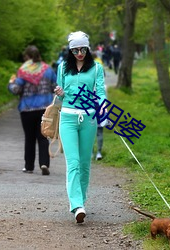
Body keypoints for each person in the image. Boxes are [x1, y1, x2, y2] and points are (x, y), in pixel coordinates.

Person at [54, 31, 106, 223]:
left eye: (83, 49)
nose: (79, 53)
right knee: (73, 163)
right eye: (75, 50)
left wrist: (102, 110)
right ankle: (76, 204)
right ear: (70, 50)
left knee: (85, 164)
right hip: (67, 118)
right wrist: (59, 92)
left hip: (89, 119)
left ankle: (81, 202)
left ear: (88, 48)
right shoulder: (62, 68)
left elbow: (100, 92)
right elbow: (60, 97)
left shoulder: (96, 68)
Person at [8, 45, 57, 175]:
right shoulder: (48, 70)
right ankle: (44, 163)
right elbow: (55, 87)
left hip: (27, 109)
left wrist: (11, 83)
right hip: (44, 109)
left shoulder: (23, 71)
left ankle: (29, 166)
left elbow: (16, 90)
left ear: (27, 57)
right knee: (43, 137)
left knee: (29, 138)